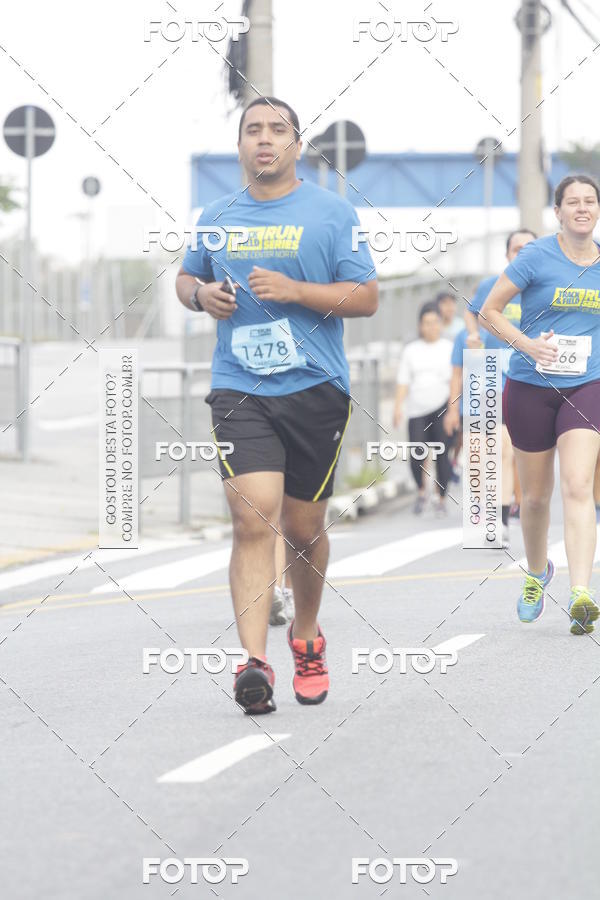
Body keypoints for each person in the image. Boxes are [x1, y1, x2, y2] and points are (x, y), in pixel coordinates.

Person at [175, 96, 378, 713]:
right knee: (251, 516)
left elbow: (366, 296)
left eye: (277, 130)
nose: (264, 140)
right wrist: (201, 295)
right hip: (241, 385)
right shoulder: (217, 215)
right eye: (252, 130)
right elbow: (186, 277)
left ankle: (306, 637)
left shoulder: (331, 213)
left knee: (303, 528)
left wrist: (295, 291)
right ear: (239, 145)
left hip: (316, 389)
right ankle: (252, 662)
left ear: (296, 145)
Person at [480, 175, 600, 634]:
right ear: (559, 212)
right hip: (530, 385)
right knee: (534, 497)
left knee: (577, 483)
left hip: (587, 386)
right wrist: (527, 345)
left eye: (590, 201)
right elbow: (488, 311)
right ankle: (536, 571)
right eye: (573, 202)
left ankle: (581, 593)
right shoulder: (536, 256)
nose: (582, 208)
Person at [458, 230, 537, 547]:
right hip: (486, 373)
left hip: (520, 377)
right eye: (517, 248)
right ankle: (480, 507)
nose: (522, 252)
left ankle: (500, 521)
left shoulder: (541, 286)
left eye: (529, 248)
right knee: (477, 454)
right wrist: (472, 336)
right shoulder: (494, 284)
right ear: (507, 254)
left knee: (505, 450)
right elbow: (471, 310)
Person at [394, 302, 452, 515]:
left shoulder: (449, 348)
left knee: (442, 455)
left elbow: (457, 380)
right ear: (420, 325)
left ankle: (441, 497)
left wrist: (454, 411)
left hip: (443, 408)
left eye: (435, 322)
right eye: (427, 323)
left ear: (440, 324)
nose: (431, 327)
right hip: (417, 410)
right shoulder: (411, 350)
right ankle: (421, 491)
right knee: (417, 454)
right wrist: (398, 407)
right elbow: (403, 381)